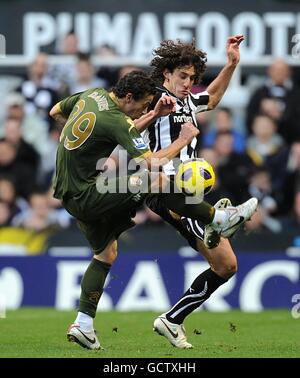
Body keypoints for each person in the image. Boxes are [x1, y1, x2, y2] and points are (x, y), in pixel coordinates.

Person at [50, 69, 256, 351]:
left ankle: (83, 325)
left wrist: (147, 117)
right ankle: (218, 218)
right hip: (88, 193)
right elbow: (151, 163)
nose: (144, 110)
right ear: (129, 97)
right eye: (144, 105)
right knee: (157, 179)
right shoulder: (117, 120)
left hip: (68, 192)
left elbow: (55, 112)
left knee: (105, 254)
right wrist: (182, 140)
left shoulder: (92, 95)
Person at [134, 36, 258, 349]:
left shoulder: (190, 101)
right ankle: (220, 219)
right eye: (182, 76)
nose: (188, 83)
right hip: (165, 187)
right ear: (166, 74)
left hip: (188, 190)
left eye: (192, 78)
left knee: (226, 265)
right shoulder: (154, 99)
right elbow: (129, 127)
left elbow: (212, 98)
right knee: (222, 254)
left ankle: (172, 319)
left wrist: (231, 65)